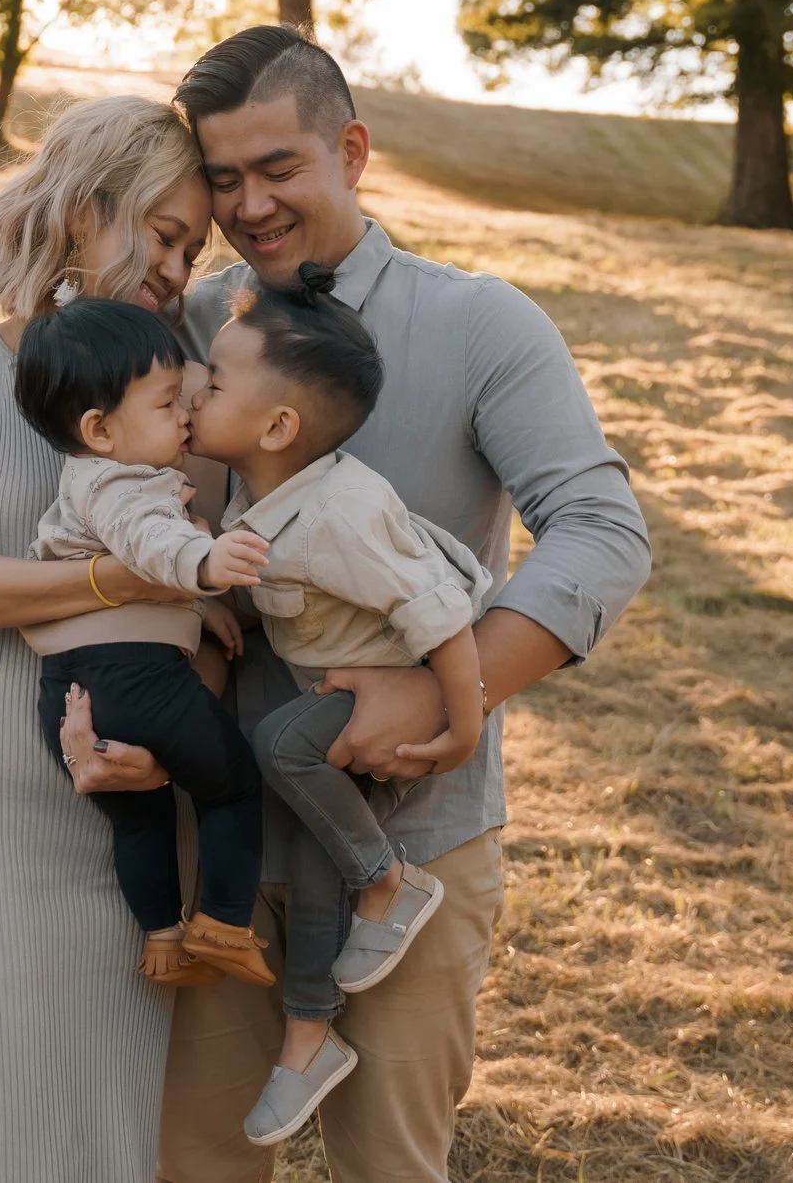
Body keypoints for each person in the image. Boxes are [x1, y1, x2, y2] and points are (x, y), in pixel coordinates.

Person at [58, 27, 653, 1183]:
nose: (248, 204)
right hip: (210, 840)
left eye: (278, 167)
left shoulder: (483, 323)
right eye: (222, 177)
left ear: (353, 149)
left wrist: (447, 683)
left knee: (389, 1167)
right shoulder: (179, 329)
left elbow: (600, 530)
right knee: (194, 1167)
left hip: (412, 838)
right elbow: (107, 522)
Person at [0, 95, 228, 1183]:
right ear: (85, 212)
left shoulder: (176, 401)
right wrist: (111, 577)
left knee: (110, 1134)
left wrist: (174, 734)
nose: (179, 268)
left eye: (193, 248)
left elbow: (207, 616)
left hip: (128, 796)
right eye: (165, 234)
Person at [179, 265, 491, 1146]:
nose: (195, 393)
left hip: (382, 700)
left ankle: (390, 879)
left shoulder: (341, 513)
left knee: (282, 748)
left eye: (215, 382)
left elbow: (436, 609)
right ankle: (309, 1039)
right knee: (314, 863)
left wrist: (460, 719)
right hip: (336, 694)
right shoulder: (263, 492)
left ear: (278, 424)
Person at [15, 296, 273, 988]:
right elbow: (151, 542)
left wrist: (202, 607)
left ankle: (162, 939)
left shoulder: (91, 480)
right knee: (232, 785)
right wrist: (206, 561)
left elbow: (147, 580)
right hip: (137, 676)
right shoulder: (122, 481)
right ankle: (221, 919)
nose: (186, 415)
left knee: (140, 818)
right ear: (99, 428)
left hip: (71, 689)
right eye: (166, 405)